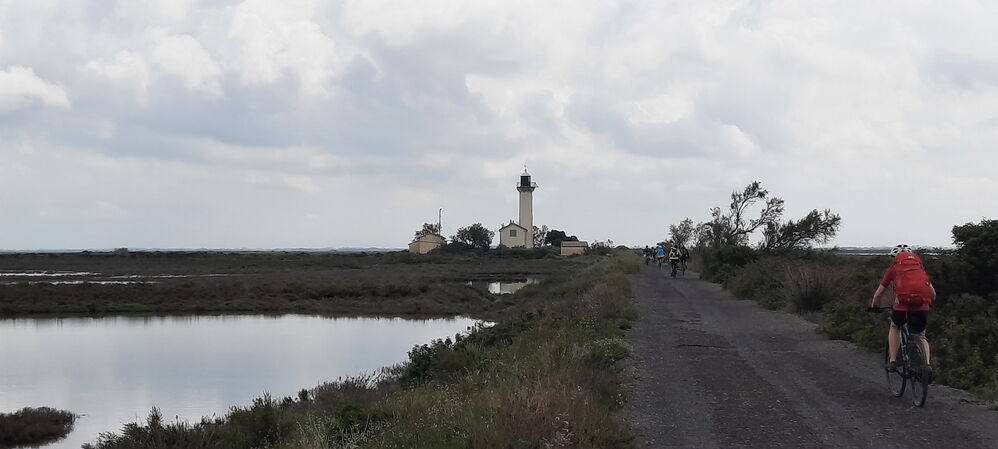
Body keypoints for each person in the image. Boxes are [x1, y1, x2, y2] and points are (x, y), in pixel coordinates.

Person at [869, 244, 936, 375]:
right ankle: (927, 365)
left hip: (901, 307)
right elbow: (932, 293)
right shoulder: (920, 269)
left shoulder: (893, 269)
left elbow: (879, 293)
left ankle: (893, 361)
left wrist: (874, 305)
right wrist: (929, 303)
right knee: (921, 335)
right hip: (921, 307)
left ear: (895, 257)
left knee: (895, 326)